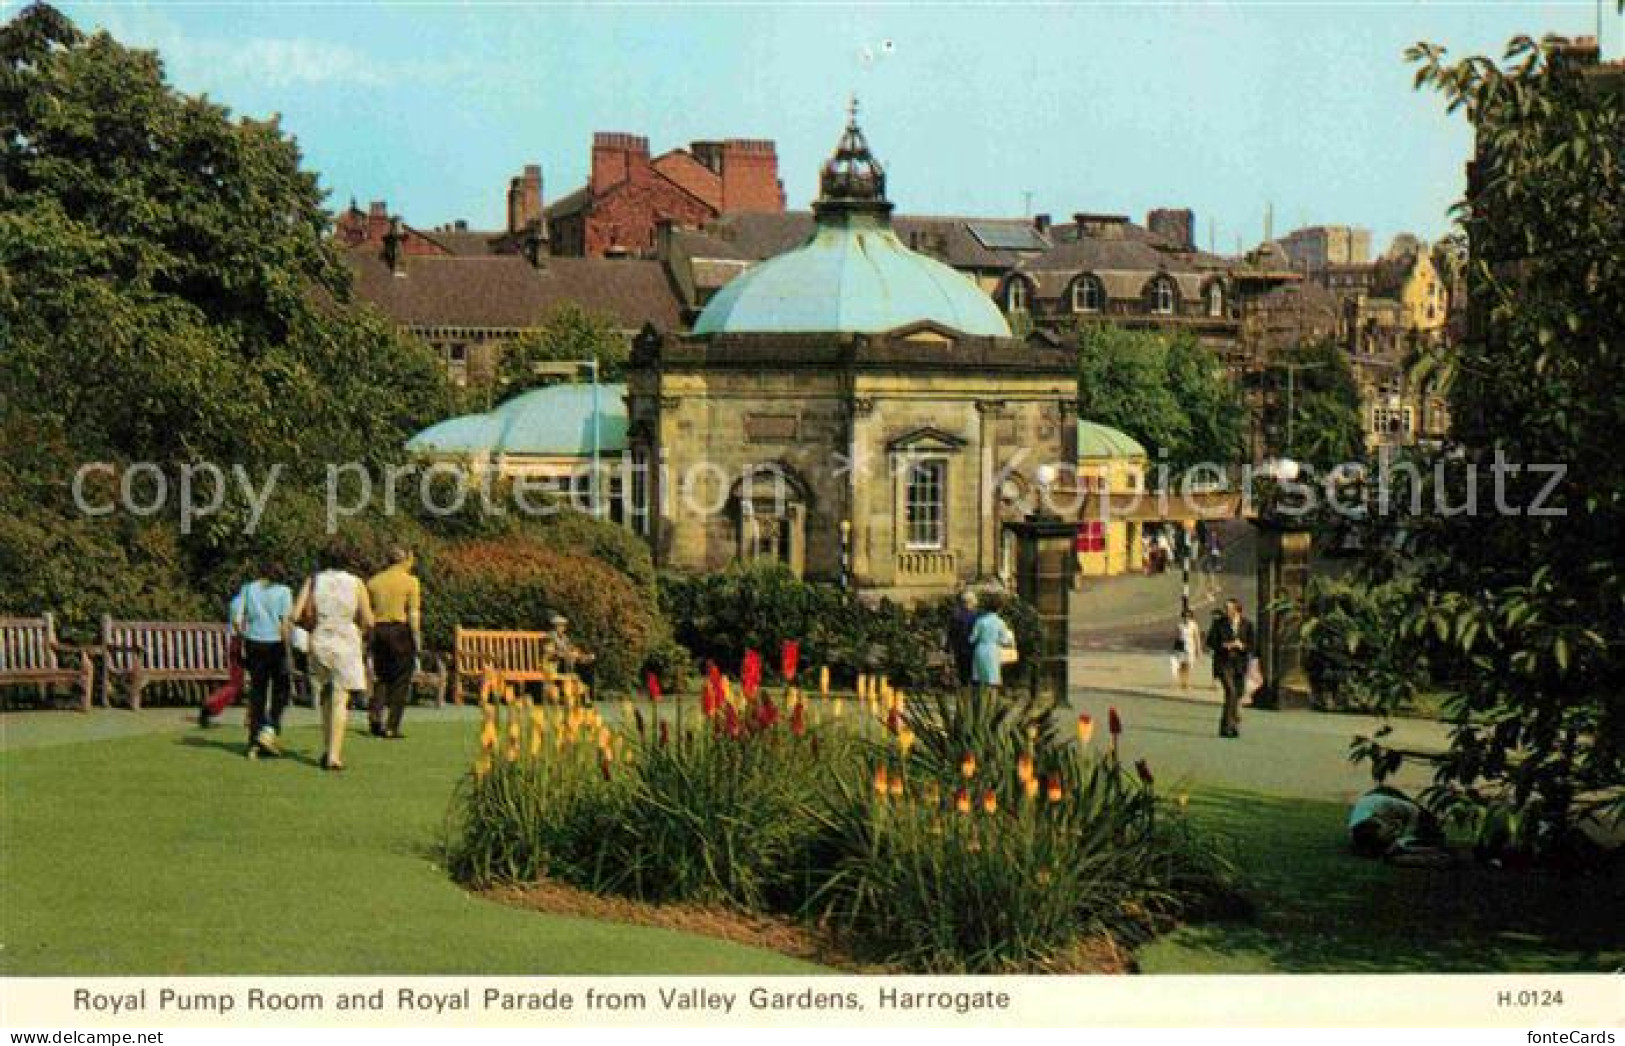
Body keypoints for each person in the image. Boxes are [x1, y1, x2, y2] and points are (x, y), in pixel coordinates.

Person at [290, 547, 375, 772]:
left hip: (321, 639)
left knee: (327, 694)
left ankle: (328, 748)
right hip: (346, 639)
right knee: (340, 698)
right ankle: (334, 756)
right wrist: (359, 632)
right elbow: (369, 619)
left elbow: (295, 614)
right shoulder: (356, 583)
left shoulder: (314, 580)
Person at [231, 566, 294, 758]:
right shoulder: (284, 591)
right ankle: (269, 730)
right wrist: (289, 652)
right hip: (275, 644)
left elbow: (236, 618)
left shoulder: (248, 589)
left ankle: (253, 742)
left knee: (257, 692)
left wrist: (244, 635)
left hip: (254, 643)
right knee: (282, 690)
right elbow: (285, 624)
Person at [366, 547, 422, 739]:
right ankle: (392, 726)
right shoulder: (411, 582)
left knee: (382, 676)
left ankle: (375, 714)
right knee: (401, 679)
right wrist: (417, 638)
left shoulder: (374, 582)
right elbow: (413, 613)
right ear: (404, 560)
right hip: (399, 630)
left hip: (379, 630)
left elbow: (368, 612)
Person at [1206, 597, 1255, 738]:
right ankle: (1226, 727)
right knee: (1231, 692)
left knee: (1237, 695)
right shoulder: (1218, 624)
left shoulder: (1247, 625)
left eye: (1229, 608)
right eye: (1226, 608)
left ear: (1237, 610)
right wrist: (1224, 645)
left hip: (1239, 664)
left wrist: (1242, 646)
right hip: (1224, 663)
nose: (1226, 610)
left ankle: (1232, 725)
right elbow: (1210, 642)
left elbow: (1252, 646)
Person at [968, 604, 1015, 698]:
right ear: (998, 610)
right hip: (993, 650)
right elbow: (1004, 640)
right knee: (993, 680)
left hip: (980, 650)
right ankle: (992, 702)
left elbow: (972, 639)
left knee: (979, 679)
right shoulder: (1000, 622)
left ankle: (980, 700)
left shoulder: (980, 621)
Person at [547, 614, 595, 696]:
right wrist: (567, 654)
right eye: (560, 625)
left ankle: (588, 693)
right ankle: (584, 694)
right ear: (555, 626)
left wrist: (579, 654)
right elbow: (550, 652)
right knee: (579, 665)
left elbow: (571, 648)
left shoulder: (564, 638)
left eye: (563, 626)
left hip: (567, 662)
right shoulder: (550, 637)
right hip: (556, 664)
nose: (563, 628)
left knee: (588, 666)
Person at [946, 590, 982, 688]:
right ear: (971, 602)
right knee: (975, 677)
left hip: (959, 650)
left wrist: (948, 649)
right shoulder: (977, 617)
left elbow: (950, 634)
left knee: (963, 676)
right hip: (973, 649)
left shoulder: (955, 616)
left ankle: (965, 697)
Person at [1173, 607, 1204, 691]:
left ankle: (1187, 683)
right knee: (1181, 666)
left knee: (1188, 666)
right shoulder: (1179, 625)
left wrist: (1199, 650)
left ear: (1191, 617)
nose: (1186, 618)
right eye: (1185, 616)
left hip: (1191, 647)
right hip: (1181, 647)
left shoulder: (1194, 625)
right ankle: (1181, 682)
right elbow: (1176, 637)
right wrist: (1175, 649)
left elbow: (1197, 638)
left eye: (1188, 616)